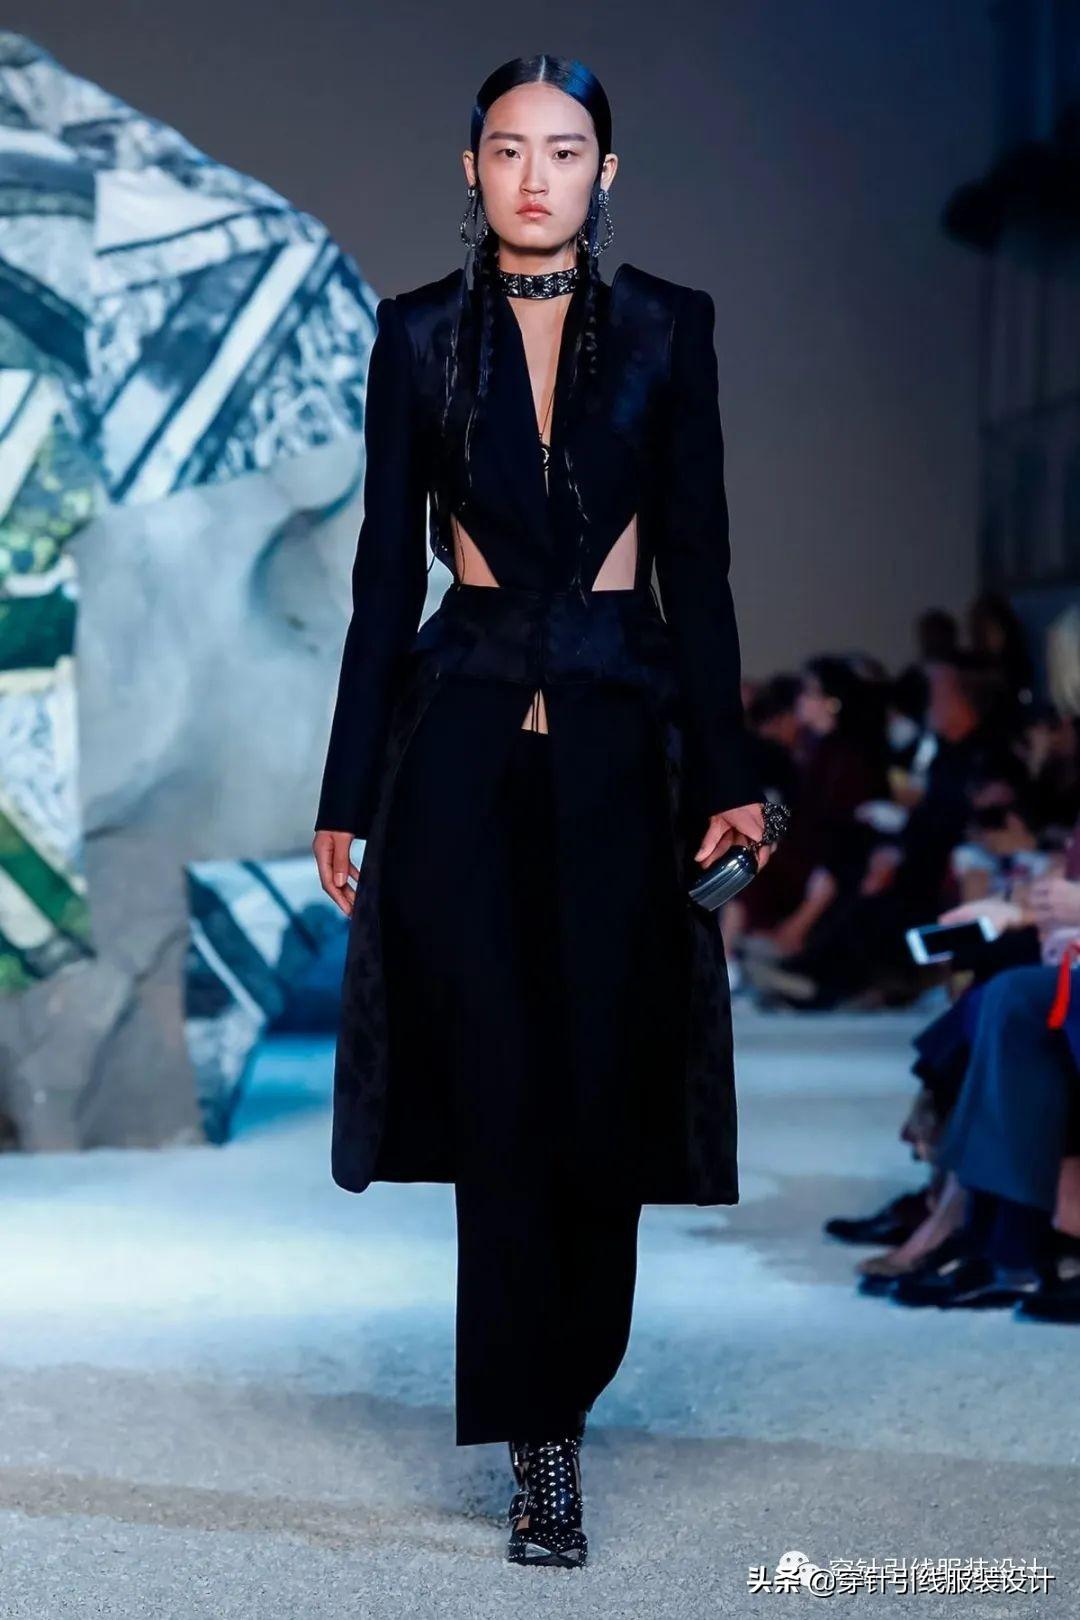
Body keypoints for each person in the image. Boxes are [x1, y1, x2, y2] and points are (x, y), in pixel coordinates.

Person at [310, 55, 774, 1569]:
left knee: (600, 1094)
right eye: (508, 149)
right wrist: (343, 791)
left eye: (564, 151)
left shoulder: (669, 331)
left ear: (604, 173)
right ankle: (541, 1449)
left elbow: (700, 569)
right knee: (503, 1095)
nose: (534, 176)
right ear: (472, 168)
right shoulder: (415, 337)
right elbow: (385, 577)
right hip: (456, 755)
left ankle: (565, 1383)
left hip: (622, 755)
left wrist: (731, 775)